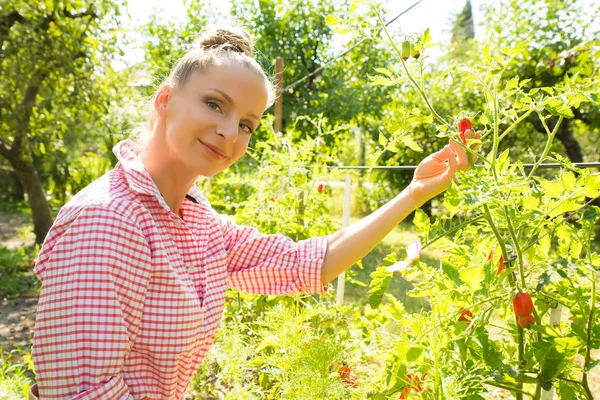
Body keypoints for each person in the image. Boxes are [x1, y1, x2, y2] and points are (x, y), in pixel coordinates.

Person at [31, 26, 479, 399]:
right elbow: (79, 392)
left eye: (247, 124)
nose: (229, 132)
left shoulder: (197, 222)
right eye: (214, 104)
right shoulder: (109, 219)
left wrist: (414, 194)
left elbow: (307, 262)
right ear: (165, 100)